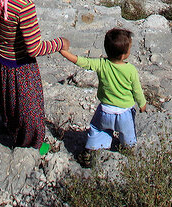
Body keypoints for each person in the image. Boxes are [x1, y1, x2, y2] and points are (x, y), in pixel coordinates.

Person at [0, 0, 66, 151]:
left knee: (9, 108)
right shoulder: (23, 5)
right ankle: (37, 150)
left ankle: (13, 135)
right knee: (31, 116)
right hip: (21, 68)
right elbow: (34, 48)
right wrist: (59, 44)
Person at [59, 26, 146, 155]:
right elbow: (137, 91)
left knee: (98, 130)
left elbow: (83, 62)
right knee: (128, 135)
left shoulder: (101, 64)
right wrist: (142, 104)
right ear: (123, 55)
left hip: (105, 111)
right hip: (125, 113)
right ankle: (128, 150)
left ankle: (95, 148)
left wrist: (64, 52)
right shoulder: (130, 70)